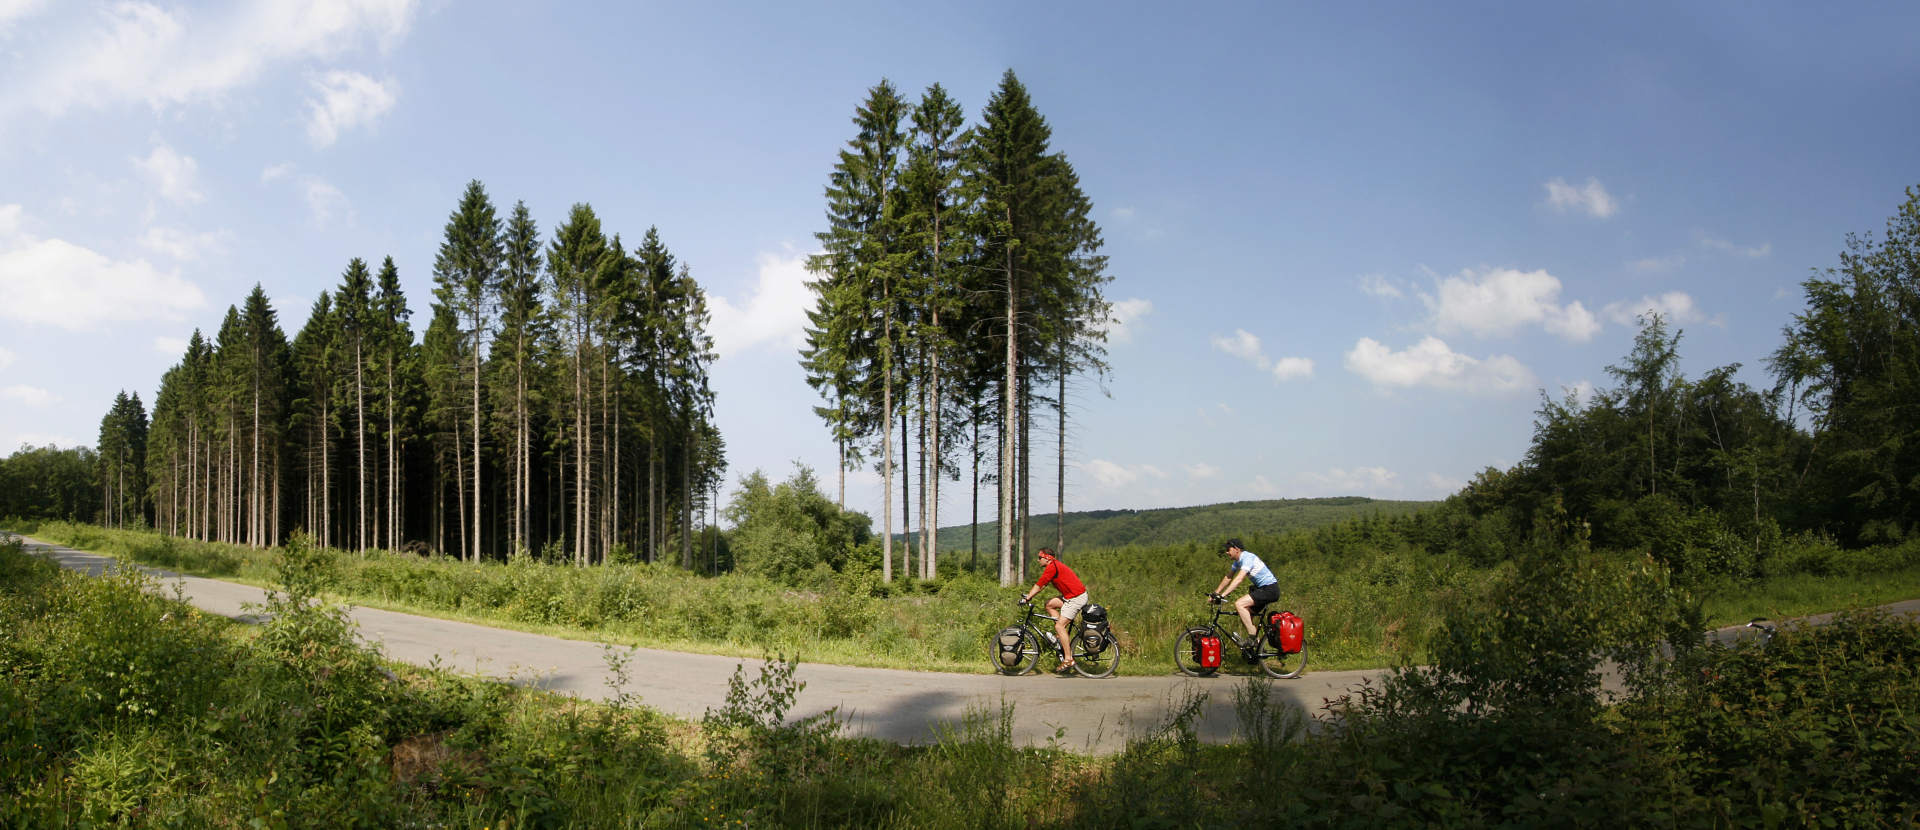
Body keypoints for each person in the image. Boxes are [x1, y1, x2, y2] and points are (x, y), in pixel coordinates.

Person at [1020, 547, 1089, 672]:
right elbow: (1043, 586)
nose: (1038, 560)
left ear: (1047, 558)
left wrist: (1027, 598)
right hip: (1071, 596)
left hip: (1076, 598)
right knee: (1049, 604)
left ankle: (1068, 659)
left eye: (1040, 557)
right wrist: (1030, 596)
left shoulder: (1052, 567)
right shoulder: (1054, 565)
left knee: (1059, 626)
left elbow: (1039, 584)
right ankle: (1060, 636)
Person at [1210, 538, 1278, 650]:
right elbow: (1228, 577)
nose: (1227, 552)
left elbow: (1238, 579)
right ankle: (1258, 648)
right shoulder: (1238, 561)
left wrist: (1223, 595)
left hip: (1270, 589)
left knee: (1239, 604)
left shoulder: (1247, 558)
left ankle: (1252, 638)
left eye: (1229, 549)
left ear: (1237, 549)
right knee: (1246, 616)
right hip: (1261, 590)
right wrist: (1216, 592)